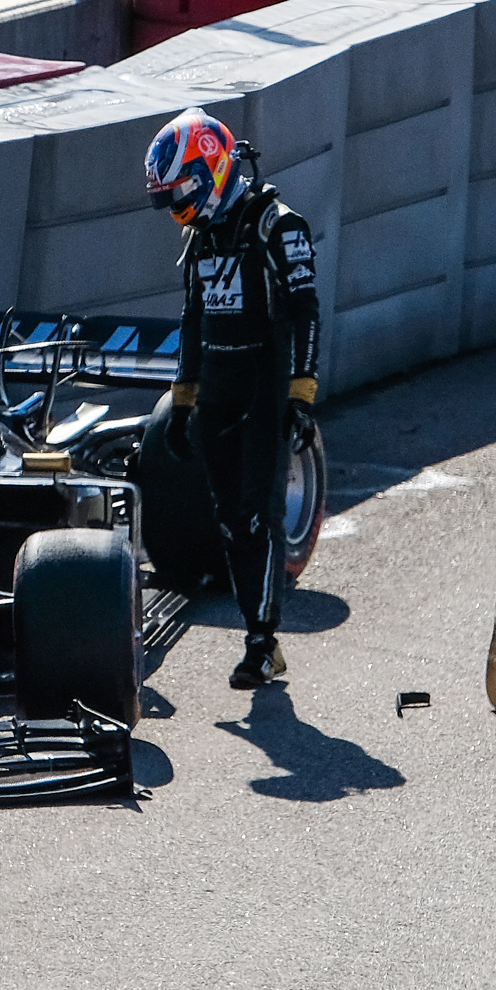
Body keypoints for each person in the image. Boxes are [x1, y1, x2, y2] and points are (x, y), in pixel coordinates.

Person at [144, 107, 320, 689]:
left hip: (265, 384)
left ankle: (261, 642)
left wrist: (300, 393)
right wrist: (184, 401)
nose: (175, 207)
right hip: (219, 388)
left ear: (212, 168)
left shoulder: (276, 224)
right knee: (229, 522)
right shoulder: (199, 240)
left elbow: (305, 311)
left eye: (182, 190)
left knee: (257, 514)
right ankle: (260, 636)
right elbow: (192, 321)